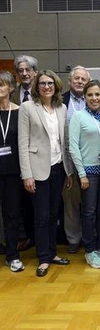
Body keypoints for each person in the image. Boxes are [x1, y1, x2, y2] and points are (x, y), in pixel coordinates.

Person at [18, 70, 74, 277]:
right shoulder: (27, 108)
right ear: (36, 86)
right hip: (37, 170)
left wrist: (68, 171)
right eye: (42, 83)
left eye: (50, 83)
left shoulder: (61, 108)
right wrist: (27, 175)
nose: (46, 86)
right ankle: (43, 257)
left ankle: (52, 253)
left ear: (56, 86)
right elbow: (23, 144)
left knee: (53, 214)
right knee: (41, 216)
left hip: (57, 167)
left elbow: (64, 142)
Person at [69, 80, 100, 269]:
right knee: (89, 212)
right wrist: (81, 174)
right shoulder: (78, 117)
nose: (94, 98)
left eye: (97, 94)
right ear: (85, 97)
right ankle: (90, 249)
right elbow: (73, 147)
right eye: (90, 95)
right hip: (88, 172)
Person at [11, 55, 38, 252]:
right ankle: (29, 236)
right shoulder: (11, 95)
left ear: (35, 72)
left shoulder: (42, 92)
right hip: (13, 154)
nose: (24, 74)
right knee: (21, 202)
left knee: (38, 201)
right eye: (21, 71)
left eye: (28, 70)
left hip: (37, 155)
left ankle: (43, 239)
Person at [63, 66, 91, 254]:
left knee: (92, 202)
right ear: (69, 81)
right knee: (71, 202)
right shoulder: (60, 101)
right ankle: (73, 238)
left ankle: (92, 236)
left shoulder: (95, 99)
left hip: (92, 157)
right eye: (76, 79)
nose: (80, 82)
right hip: (69, 159)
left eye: (83, 79)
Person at [0, 71, 24, 272]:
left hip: (13, 172)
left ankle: (12, 256)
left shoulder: (19, 112)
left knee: (12, 214)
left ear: (10, 88)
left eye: (1, 85)